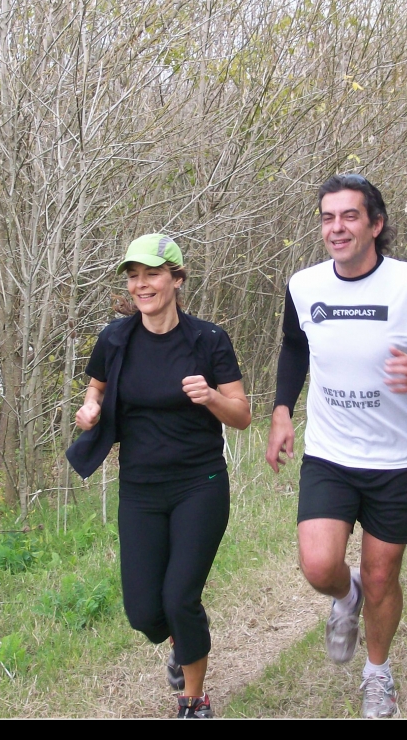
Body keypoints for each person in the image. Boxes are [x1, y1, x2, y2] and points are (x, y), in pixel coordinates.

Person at [265, 174, 407, 719]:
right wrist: (282, 412)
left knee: (383, 575)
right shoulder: (304, 286)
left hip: (397, 460)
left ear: (375, 224)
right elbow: (293, 347)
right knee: (318, 566)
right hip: (330, 453)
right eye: (328, 217)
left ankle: (377, 675)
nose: (337, 228)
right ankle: (345, 597)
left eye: (349, 216)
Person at [66, 234, 251, 719]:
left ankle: (193, 700)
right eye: (133, 276)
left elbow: (242, 414)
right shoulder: (116, 338)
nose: (140, 285)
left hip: (200, 484)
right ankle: (177, 637)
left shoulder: (207, 340)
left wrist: (211, 397)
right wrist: (89, 409)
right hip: (141, 490)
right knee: (145, 612)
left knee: (180, 596)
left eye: (151, 274)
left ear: (176, 278)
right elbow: (97, 389)